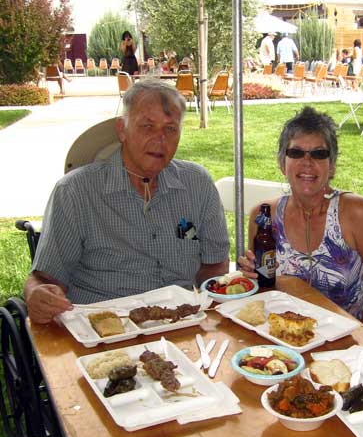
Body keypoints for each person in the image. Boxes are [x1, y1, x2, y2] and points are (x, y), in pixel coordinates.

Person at [25, 79, 230, 324]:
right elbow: (43, 279)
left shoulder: (197, 184)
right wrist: (37, 295)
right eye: (147, 126)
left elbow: (215, 265)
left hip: (180, 323)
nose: (160, 139)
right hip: (101, 328)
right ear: (122, 129)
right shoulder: (75, 192)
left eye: (170, 128)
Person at [238, 106, 363, 326]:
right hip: (282, 334)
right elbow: (264, 288)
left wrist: (361, 336)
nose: (307, 162)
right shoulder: (263, 216)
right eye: (296, 152)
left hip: (345, 337)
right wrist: (252, 277)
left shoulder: (357, 214)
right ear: (282, 163)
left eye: (319, 154)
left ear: (331, 166)